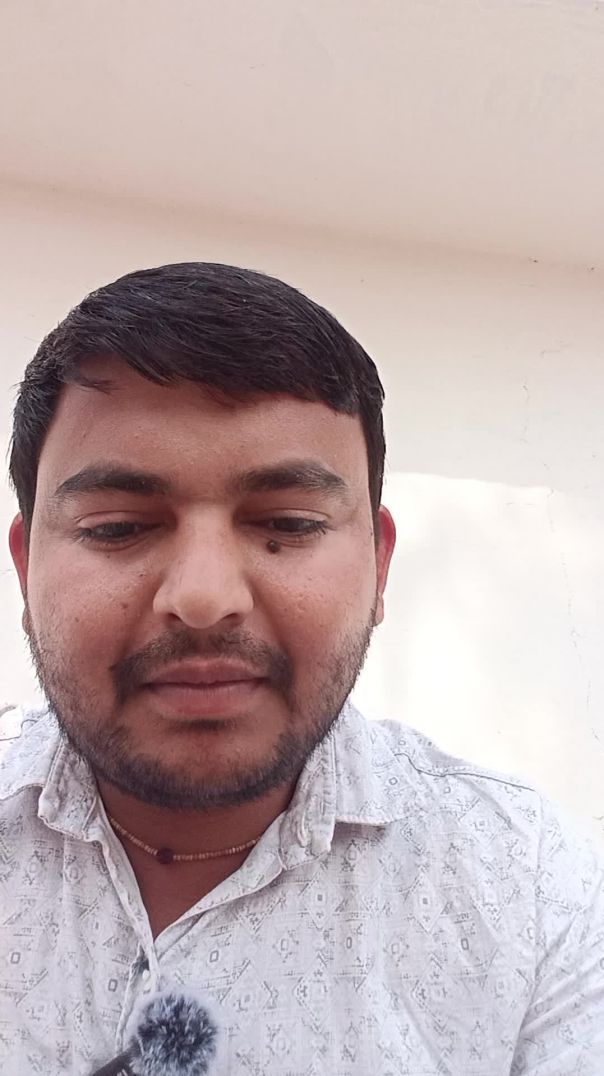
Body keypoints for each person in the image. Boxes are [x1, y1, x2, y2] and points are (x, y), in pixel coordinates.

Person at [0, 262, 602, 1075]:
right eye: (118, 528)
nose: (204, 598)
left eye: (287, 522)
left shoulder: (530, 890)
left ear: (379, 567)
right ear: (26, 570)